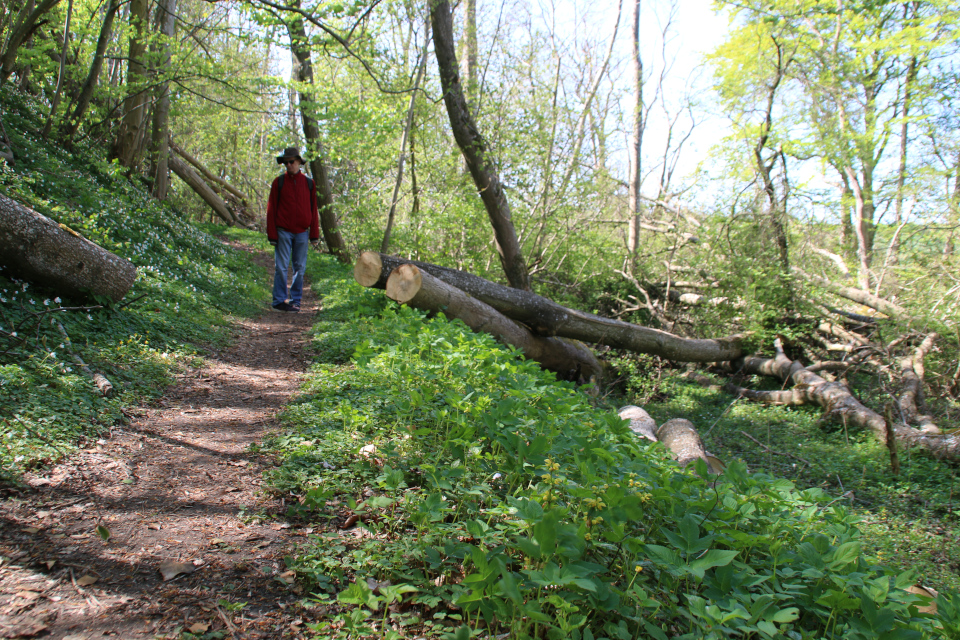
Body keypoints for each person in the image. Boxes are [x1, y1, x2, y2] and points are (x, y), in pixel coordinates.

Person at [266, 147, 320, 312]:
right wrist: (272, 234)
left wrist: (314, 235)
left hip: (302, 232)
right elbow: (271, 209)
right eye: (286, 162)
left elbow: (313, 210)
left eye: (291, 162)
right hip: (283, 231)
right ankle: (279, 301)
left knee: (300, 268)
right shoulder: (278, 182)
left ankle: (295, 300)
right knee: (281, 267)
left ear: (299, 163)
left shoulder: (309, 183)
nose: (288, 165)